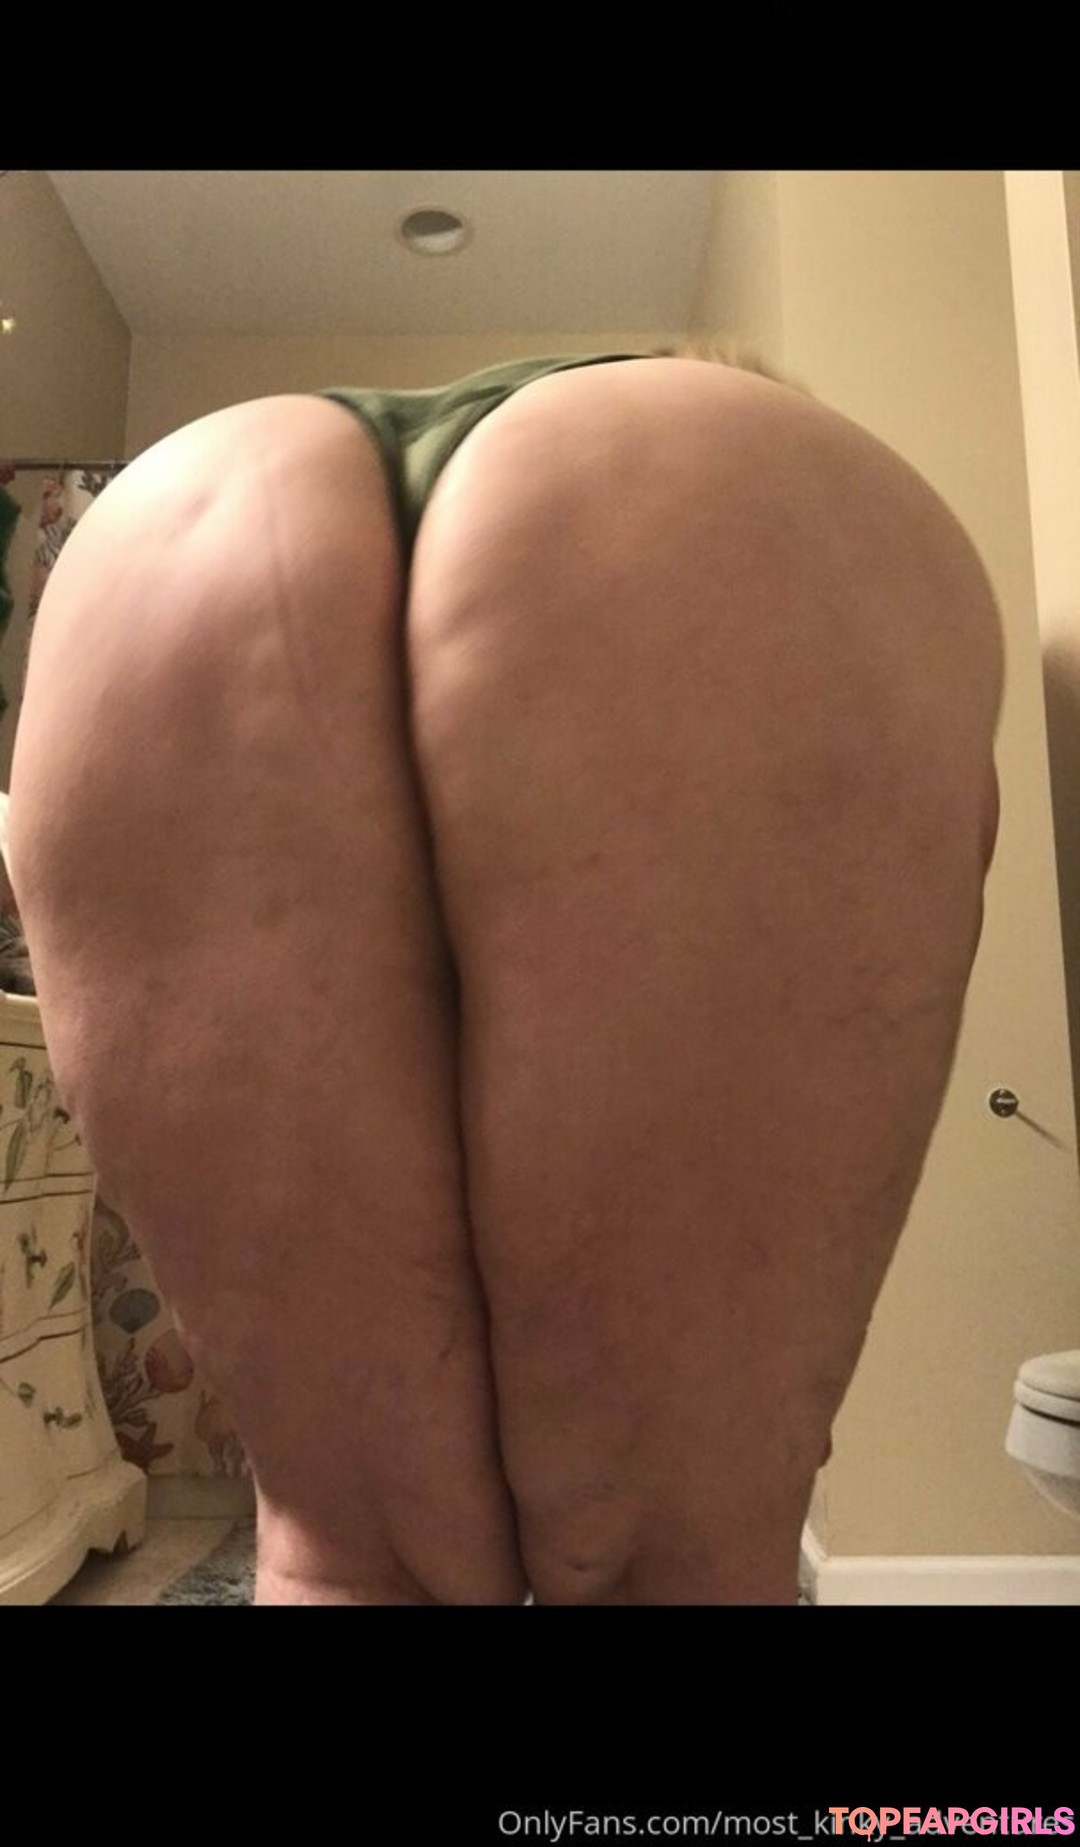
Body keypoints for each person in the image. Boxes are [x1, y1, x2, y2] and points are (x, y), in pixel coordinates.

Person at [6, 347, 1003, 1604]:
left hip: (172, 536)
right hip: (723, 501)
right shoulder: (783, 470)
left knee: (349, 1552)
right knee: (676, 1562)